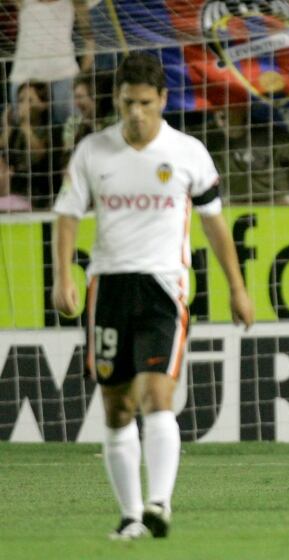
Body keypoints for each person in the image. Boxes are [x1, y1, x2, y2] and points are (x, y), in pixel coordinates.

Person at [51, 52, 254, 539]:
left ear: (162, 99)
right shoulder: (92, 151)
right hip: (109, 287)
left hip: (165, 287)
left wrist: (238, 287)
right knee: (117, 406)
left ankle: (159, 503)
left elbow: (214, 224)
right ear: (116, 101)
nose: (136, 112)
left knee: (157, 395)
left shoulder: (187, 152)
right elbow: (66, 215)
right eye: (127, 103)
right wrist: (63, 276)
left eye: (144, 102)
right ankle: (131, 516)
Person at [206, 103, 289, 206]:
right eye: (218, 107)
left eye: (229, 108)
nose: (222, 111)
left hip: (278, 202)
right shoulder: (210, 137)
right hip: (237, 203)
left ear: (245, 109)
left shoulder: (268, 134)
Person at [9, 0, 95, 125]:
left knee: (71, 124)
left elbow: (89, 41)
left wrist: (82, 76)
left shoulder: (76, 2)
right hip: (24, 74)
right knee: (21, 125)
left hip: (63, 73)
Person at [0, 81, 63, 209]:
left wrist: (25, 125)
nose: (23, 105)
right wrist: (7, 128)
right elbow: (2, 153)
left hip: (39, 192)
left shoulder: (53, 129)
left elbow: (40, 155)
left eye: (30, 100)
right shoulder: (15, 131)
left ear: (43, 104)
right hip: (14, 190)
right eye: (21, 100)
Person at [62, 72, 117, 161]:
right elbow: (68, 155)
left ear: (96, 97)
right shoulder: (73, 122)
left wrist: (94, 127)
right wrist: (83, 129)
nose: (76, 103)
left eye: (80, 97)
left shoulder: (115, 120)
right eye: (75, 97)